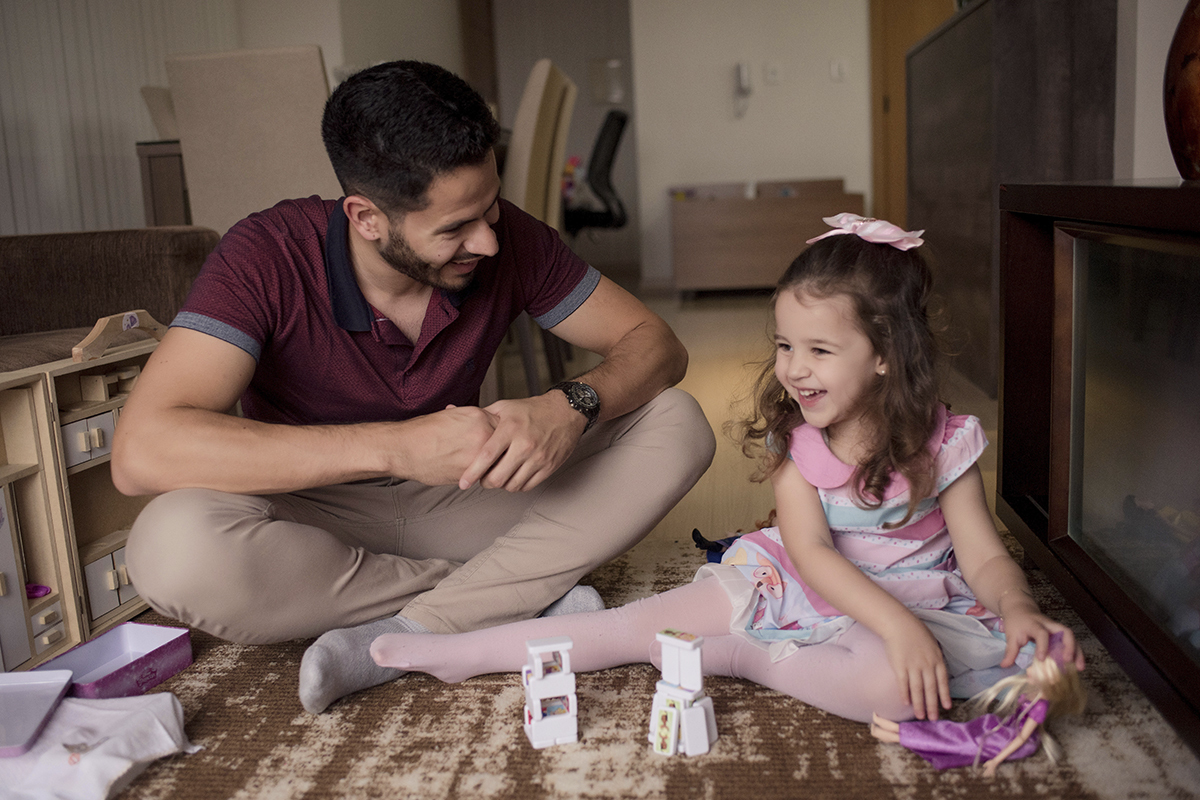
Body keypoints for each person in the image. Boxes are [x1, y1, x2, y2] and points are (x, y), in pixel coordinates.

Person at [111, 61, 715, 714]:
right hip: (306, 520)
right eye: (454, 229)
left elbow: (657, 345)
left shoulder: (507, 239)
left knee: (677, 421)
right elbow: (141, 451)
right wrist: (396, 447)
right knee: (170, 548)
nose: (487, 241)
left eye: (489, 208)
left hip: (463, 497)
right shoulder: (266, 255)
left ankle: (412, 629)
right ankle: (510, 596)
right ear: (366, 218)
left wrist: (568, 405)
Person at [370, 213, 1087, 725]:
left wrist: (1017, 608)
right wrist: (896, 628)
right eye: (784, 345)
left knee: (968, 682)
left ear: (887, 355)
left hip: (916, 598)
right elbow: (812, 555)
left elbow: (984, 557)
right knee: (628, 629)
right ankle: (458, 651)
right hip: (796, 580)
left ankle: (749, 658)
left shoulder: (948, 443)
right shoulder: (799, 441)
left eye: (819, 351)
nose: (793, 369)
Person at [870, 631, 1087, 776]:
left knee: (953, 743)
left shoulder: (1040, 706)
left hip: (1005, 741)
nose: (1028, 670)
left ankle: (896, 736)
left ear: (1050, 679)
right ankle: (897, 731)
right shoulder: (1034, 694)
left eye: (1036, 670)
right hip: (1001, 729)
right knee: (953, 732)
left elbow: (1022, 738)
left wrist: (995, 761)